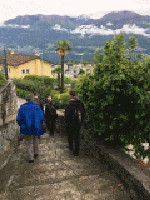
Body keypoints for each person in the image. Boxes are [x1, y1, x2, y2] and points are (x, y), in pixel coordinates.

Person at [16, 94, 44, 163]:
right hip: (36, 126)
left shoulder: (22, 107)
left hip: (26, 127)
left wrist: (21, 125)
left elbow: (19, 119)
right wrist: (39, 123)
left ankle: (31, 158)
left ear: (26, 99)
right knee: (36, 139)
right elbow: (42, 117)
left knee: (28, 141)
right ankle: (36, 153)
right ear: (33, 99)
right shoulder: (37, 107)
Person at [65, 90, 85, 156]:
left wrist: (67, 122)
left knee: (70, 135)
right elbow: (83, 113)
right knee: (77, 136)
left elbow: (67, 115)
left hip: (71, 123)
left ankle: (71, 147)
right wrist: (82, 121)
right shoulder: (80, 103)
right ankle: (77, 151)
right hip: (78, 122)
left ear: (70, 95)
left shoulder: (69, 104)